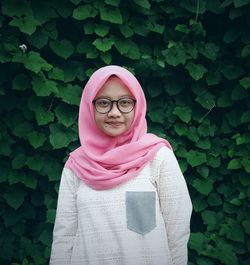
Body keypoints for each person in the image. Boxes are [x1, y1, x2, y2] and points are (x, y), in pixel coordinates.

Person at [49, 65, 192, 265]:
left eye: (125, 102)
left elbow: (177, 231)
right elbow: (64, 237)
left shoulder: (158, 157)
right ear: (90, 107)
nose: (114, 112)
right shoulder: (76, 166)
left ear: (138, 105)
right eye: (104, 103)